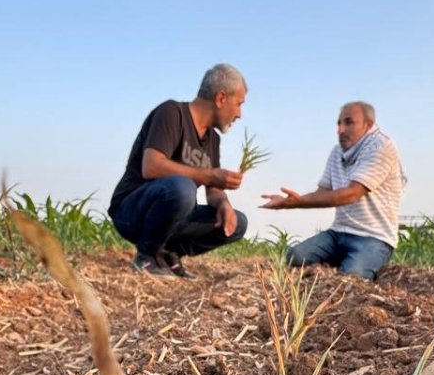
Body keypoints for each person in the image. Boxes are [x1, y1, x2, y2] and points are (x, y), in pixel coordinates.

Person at [108, 63, 250, 279]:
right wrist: (210, 175)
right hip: (132, 211)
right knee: (182, 188)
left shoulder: (212, 140)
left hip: (177, 212)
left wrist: (223, 204)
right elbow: (151, 166)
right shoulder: (172, 113)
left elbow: (213, 190)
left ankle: (168, 254)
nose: (239, 114)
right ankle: (147, 254)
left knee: (238, 222)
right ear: (221, 98)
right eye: (238, 104)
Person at [261, 101, 406, 281]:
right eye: (339, 123)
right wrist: (289, 201)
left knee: (350, 279)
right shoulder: (337, 152)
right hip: (338, 233)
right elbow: (322, 193)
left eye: (348, 122)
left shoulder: (381, 146)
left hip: (373, 237)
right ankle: (341, 260)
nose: (340, 129)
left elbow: (352, 193)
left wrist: (297, 202)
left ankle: (361, 261)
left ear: (368, 125)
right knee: (294, 257)